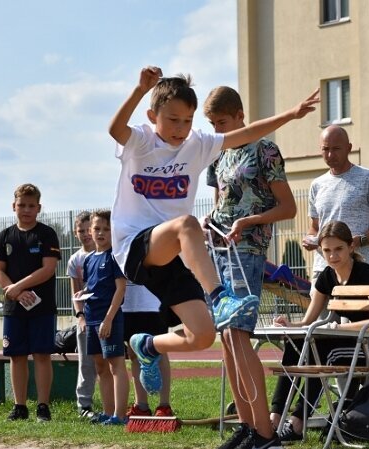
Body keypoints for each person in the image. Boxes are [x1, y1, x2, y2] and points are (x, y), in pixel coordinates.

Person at [108, 66, 318, 400]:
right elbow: (115, 129)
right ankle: (221, 298)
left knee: (203, 335)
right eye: (173, 120)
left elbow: (245, 135)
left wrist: (291, 115)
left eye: (188, 120)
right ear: (152, 116)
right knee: (188, 224)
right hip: (134, 245)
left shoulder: (199, 145)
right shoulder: (142, 141)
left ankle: (147, 345)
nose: (181, 129)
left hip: (170, 254)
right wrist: (138, 89)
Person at [202, 86, 296, 449]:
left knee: (239, 336)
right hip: (219, 249)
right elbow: (221, 201)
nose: (216, 129)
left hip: (249, 250)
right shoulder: (218, 152)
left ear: (240, 115)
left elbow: (287, 207)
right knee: (226, 339)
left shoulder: (264, 150)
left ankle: (265, 433)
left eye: (221, 122)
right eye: (211, 124)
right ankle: (246, 425)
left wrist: (249, 220)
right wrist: (211, 221)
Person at [270, 221, 369, 441]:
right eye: (327, 250)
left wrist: (339, 327)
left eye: (338, 249)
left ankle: (297, 422)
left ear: (351, 247)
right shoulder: (327, 277)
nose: (332, 256)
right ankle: (274, 419)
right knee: (296, 343)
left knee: (323, 352)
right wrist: (289, 326)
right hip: (356, 342)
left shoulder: (367, 274)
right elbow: (307, 322)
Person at [0, 183, 61, 422]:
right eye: (22, 205)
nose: (26, 210)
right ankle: (19, 406)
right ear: (14, 206)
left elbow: (48, 269)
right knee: (16, 356)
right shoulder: (5, 235)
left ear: (39, 208)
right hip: (14, 307)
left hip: (42, 307)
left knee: (42, 355)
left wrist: (20, 286)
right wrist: (16, 293)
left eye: (31, 206)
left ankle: (43, 406)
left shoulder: (46, 234)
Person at [304, 125, 369, 291]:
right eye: (325, 149)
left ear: (349, 148)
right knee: (318, 318)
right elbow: (315, 228)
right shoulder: (317, 185)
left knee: (358, 318)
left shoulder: (368, 178)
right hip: (323, 270)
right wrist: (310, 239)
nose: (330, 155)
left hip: (357, 268)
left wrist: (357, 242)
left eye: (336, 149)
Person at [81, 210, 129, 426]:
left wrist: (108, 318)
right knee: (100, 368)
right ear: (90, 231)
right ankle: (109, 413)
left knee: (115, 365)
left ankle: (120, 415)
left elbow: (120, 289)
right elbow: (90, 286)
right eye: (97, 228)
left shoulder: (114, 257)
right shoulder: (89, 259)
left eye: (106, 229)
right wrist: (80, 298)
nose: (101, 233)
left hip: (108, 319)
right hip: (91, 320)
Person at [123, 282, 174, 418]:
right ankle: (141, 405)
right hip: (128, 304)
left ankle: (164, 406)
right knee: (133, 353)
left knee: (159, 350)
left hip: (153, 303)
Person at [68, 211, 98, 418]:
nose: (86, 234)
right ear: (75, 233)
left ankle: (115, 404)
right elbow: (76, 292)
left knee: (112, 363)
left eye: (89, 230)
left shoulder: (107, 253)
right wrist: (80, 316)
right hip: (86, 317)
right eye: (81, 231)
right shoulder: (75, 260)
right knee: (86, 363)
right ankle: (84, 405)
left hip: (108, 315)